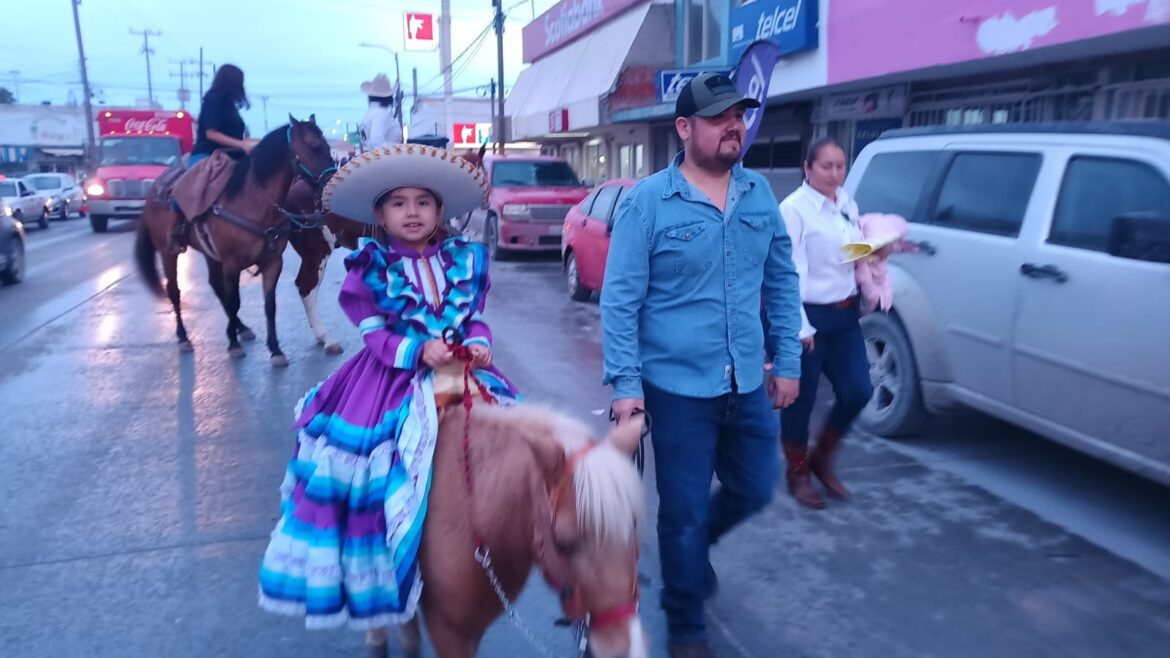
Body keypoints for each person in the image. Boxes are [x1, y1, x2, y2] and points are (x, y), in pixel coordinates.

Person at [257, 144, 518, 657]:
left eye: (424, 201)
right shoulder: (370, 266)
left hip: (460, 374)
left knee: (513, 453)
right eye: (399, 203)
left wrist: (479, 342)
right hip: (390, 381)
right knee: (370, 487)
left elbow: (475, 318)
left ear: (441, 212)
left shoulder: (463, 260)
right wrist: (420, 349)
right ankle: (380, 607)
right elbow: (376, 335)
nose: (413, 212)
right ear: (380, 215)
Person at [600, 73, 804, 658]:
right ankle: (686, 621)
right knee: (683, 512)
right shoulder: (648, 201)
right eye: (719, 117)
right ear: (685, 128)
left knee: (757, 487)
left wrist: (786, 360)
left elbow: (783, 282)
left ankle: (690, 557)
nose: (733, 125)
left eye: (738, 114)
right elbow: (620, 299)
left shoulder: (759, 193)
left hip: (746, 380)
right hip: (677, 388)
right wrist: (626, 386)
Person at [777, 137, 875, 509]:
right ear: (807, 168)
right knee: (798, 405)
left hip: (845, 314)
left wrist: (877, 247)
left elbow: (845, 252)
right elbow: (788, 274)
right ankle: (798, 472)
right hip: (807, 317)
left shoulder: (846, 203)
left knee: (858, 391)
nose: (835, 174)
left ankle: (821, 458)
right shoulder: (794, 210)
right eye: (826, 166)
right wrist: (799, 329)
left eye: (840, 166)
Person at [190, 64, 252, 166]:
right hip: (207, 155)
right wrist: (242, 145)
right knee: (202, 180)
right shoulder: (213, 98)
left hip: (231, 156)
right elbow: (211, 134)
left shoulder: (230, 105)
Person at [359, 74, 403, 151]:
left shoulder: (370, 113)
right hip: (386, 160)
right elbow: (376, 142)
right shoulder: (381, 114)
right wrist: (397, 150)